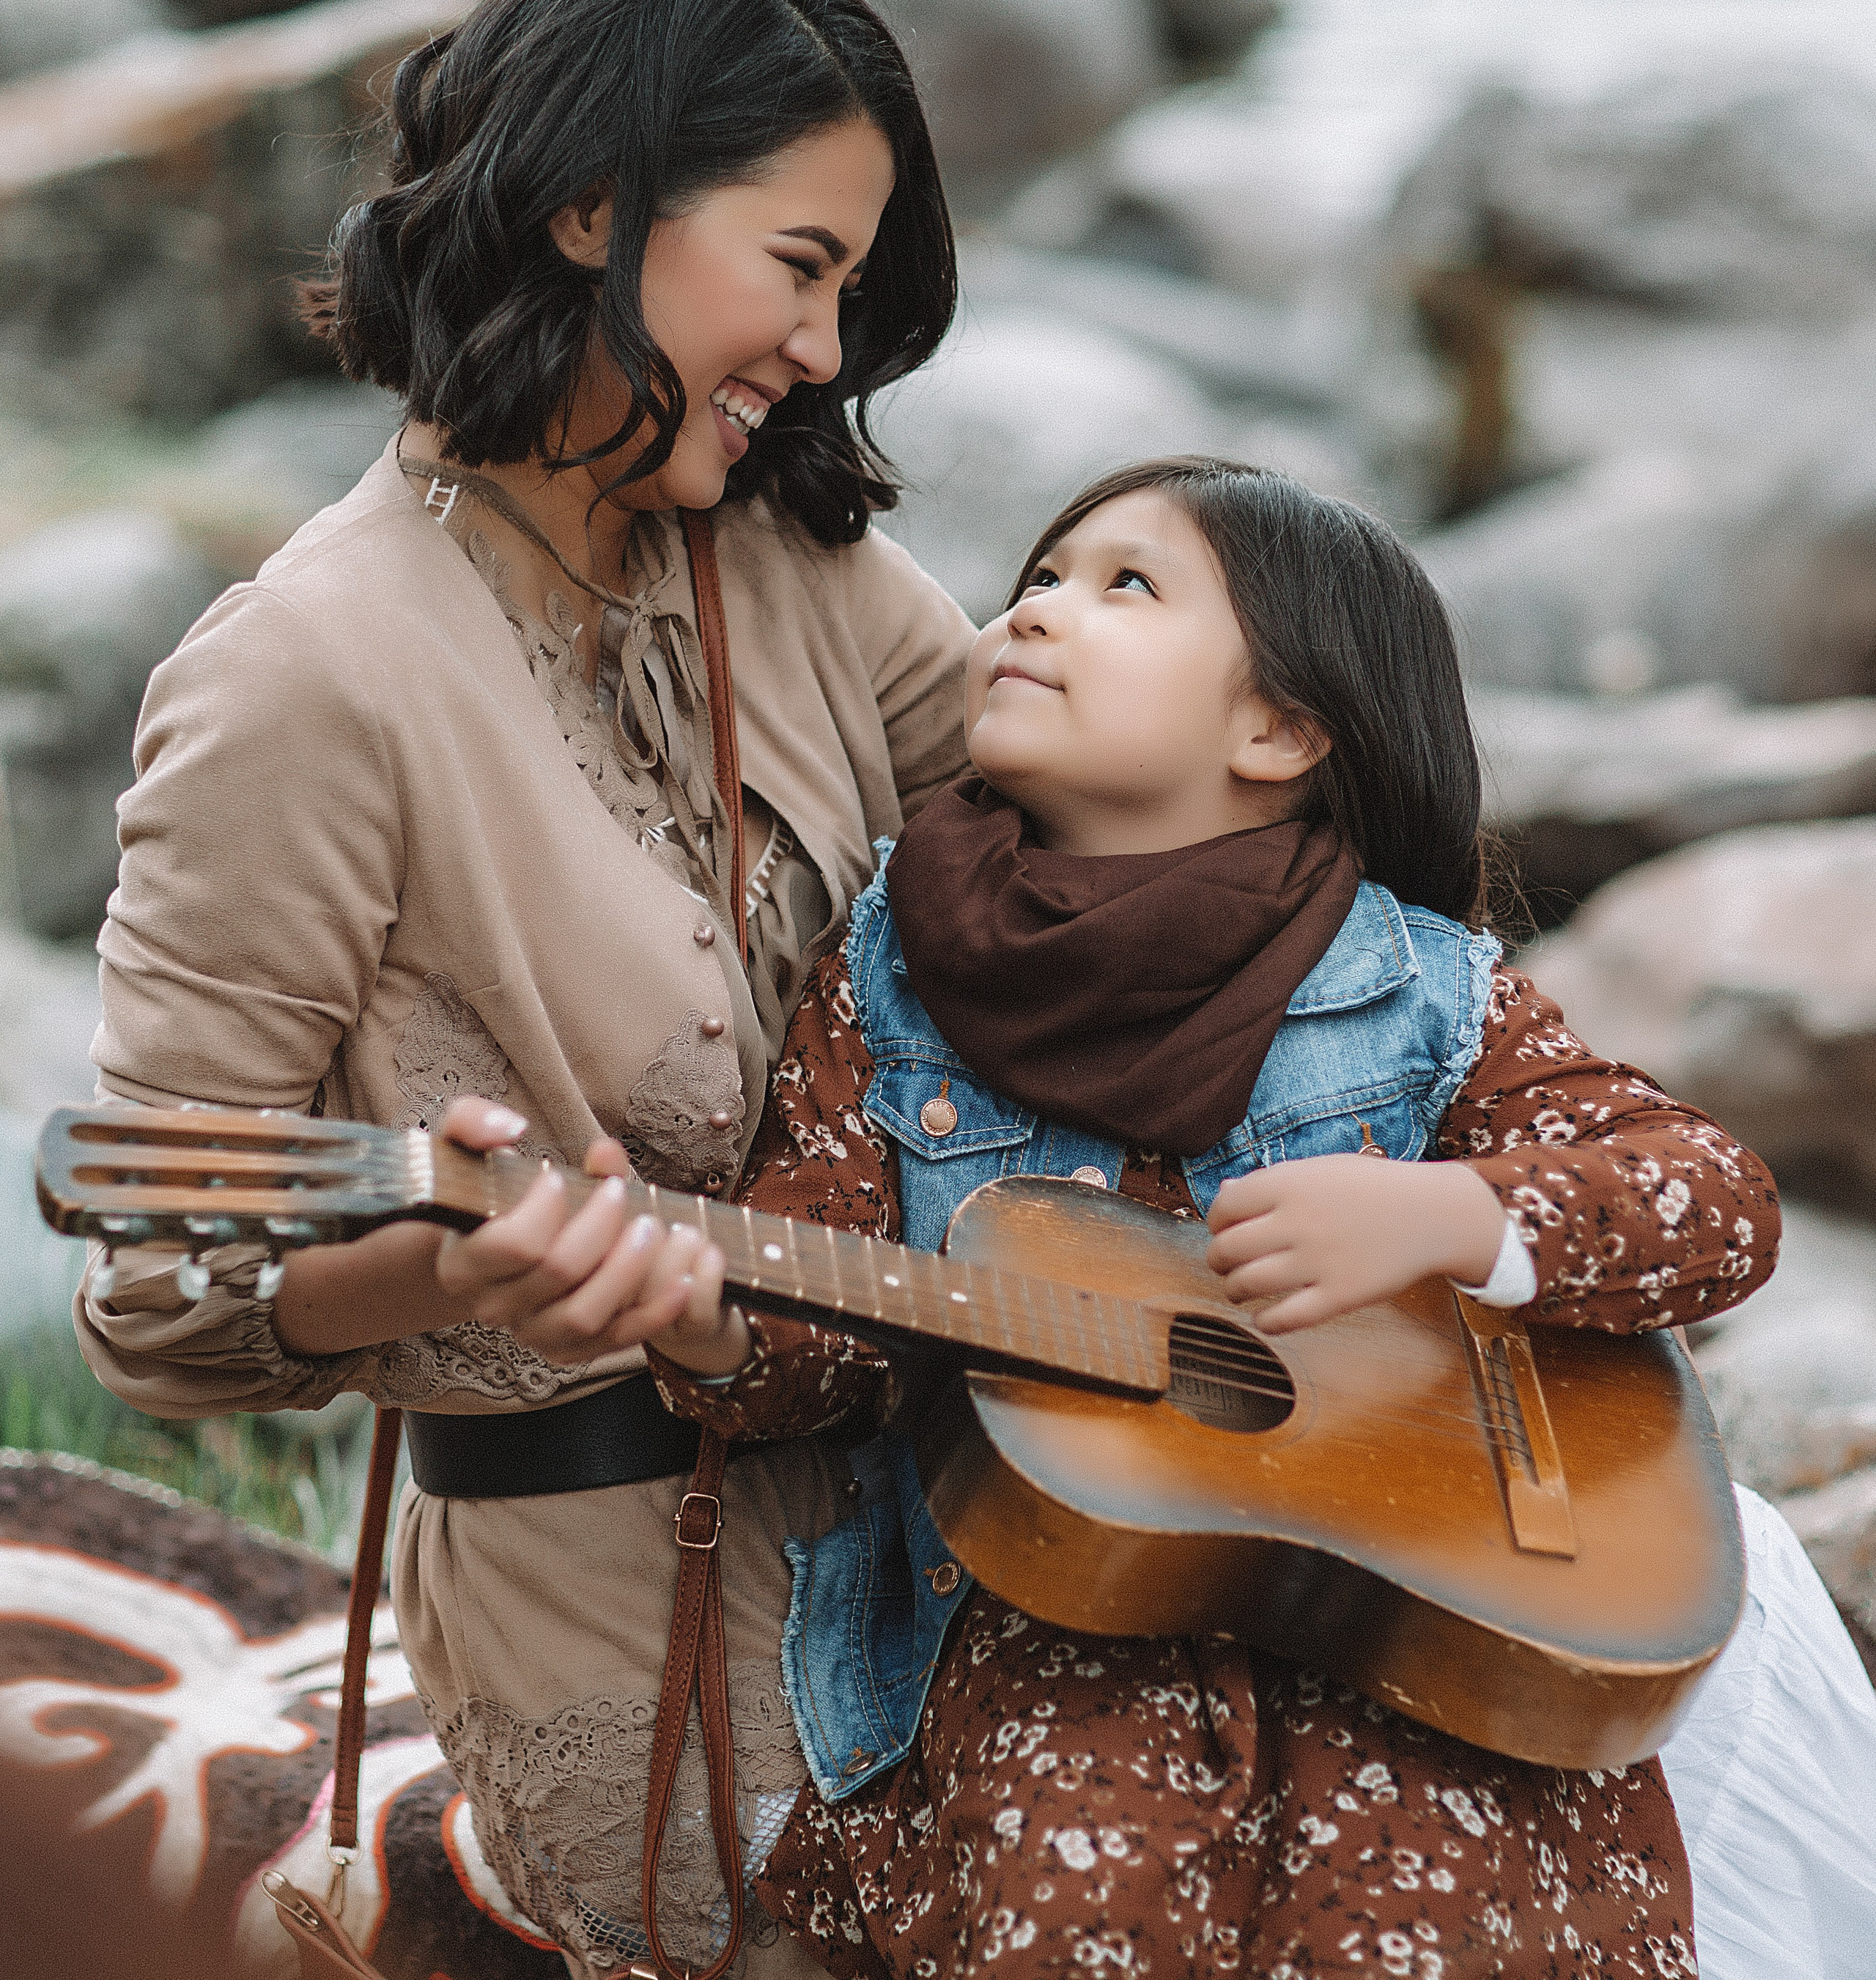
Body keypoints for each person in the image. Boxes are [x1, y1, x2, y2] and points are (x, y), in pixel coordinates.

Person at [72, 3, 978, 1974]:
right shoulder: (302, 676)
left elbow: (1114, 867)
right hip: (619, 1601)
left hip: (967, 1513)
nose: (825, 349)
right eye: (800, 265)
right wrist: (446, 1272)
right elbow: (159, 1297)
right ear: (591, 208)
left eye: (848, 287)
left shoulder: (798, 563)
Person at [624, 458, 1796, 1976]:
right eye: (1039, 575)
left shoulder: (1416, 985)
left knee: (1416, 1920)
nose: (1034, 609)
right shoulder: (889, 972)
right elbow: (815, 1337)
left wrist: (1448, 1213)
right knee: (1072, 1911)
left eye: (1125, 584)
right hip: (1051, 1643)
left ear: (1278, 732)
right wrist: (697, 1316)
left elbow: (1713, 1198)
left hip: (1418, 1635)